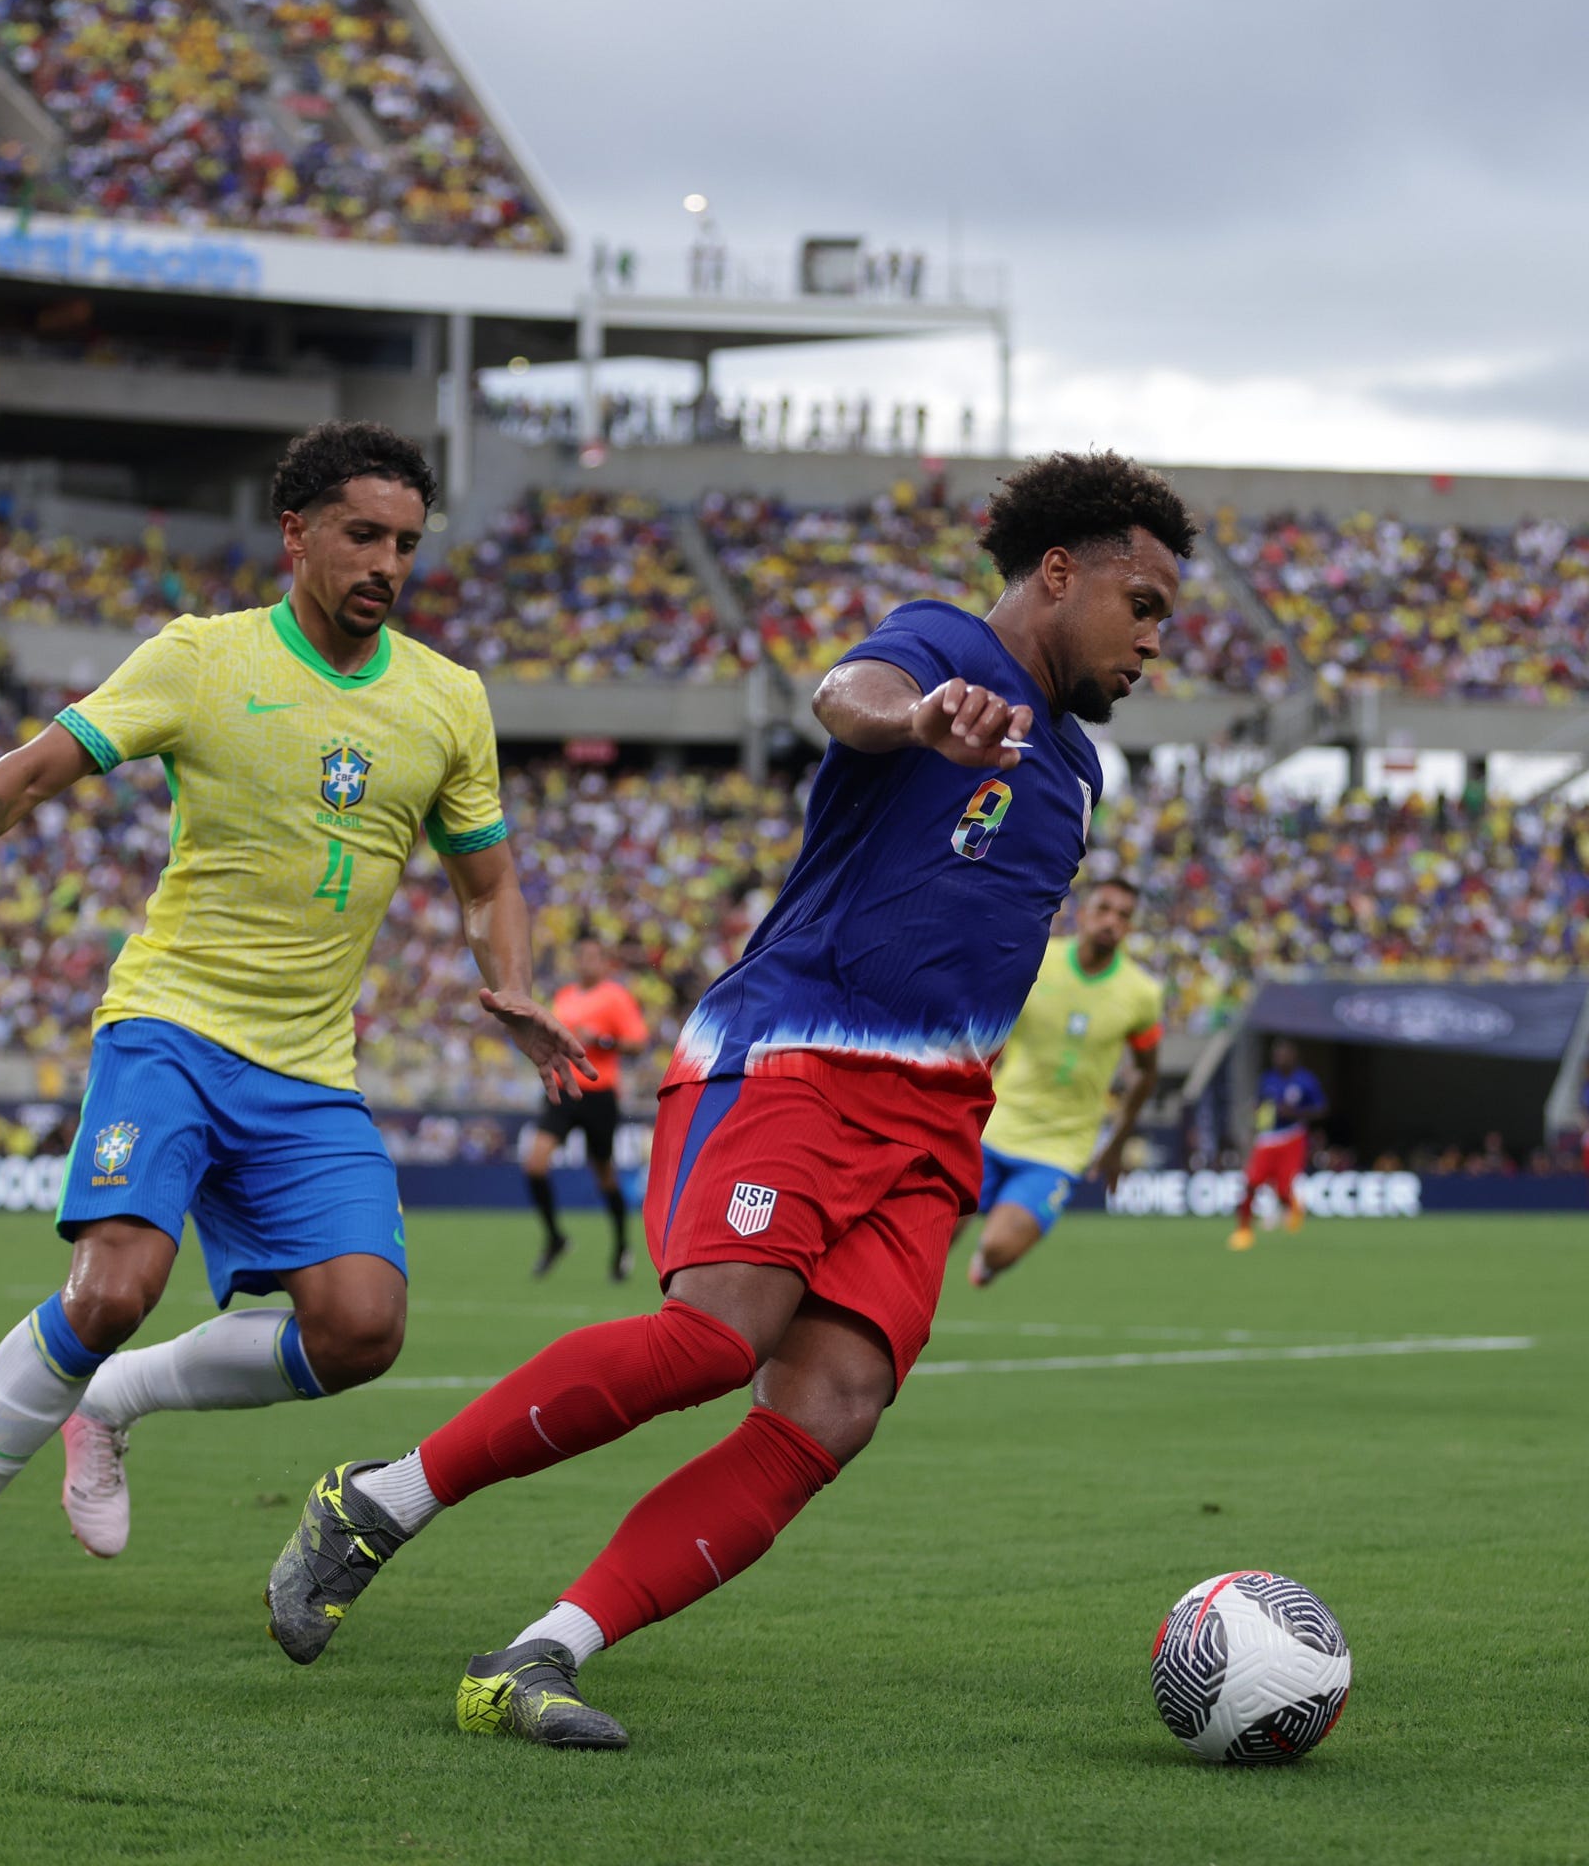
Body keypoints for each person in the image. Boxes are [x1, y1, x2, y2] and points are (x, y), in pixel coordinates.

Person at [262, 449, 1195, 1749]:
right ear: (1058, 572)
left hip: (936, 1125)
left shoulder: (1078, 771)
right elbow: (848, 694)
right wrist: (917, 720)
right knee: (714, 1337)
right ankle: (381, 1500)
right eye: (1141, 604)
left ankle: (543, 1652)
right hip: (797, 1057)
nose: (1155, 639)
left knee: (834, 1407)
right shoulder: (937, 651)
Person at [0, 422, 589, 1644]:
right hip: (170, 1023)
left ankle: (108, 1404)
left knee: (362, 1327)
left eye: (406, 544)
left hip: (309, 1064)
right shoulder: (201, 659)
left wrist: (516, 984)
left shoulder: (445, 699)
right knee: (113, 1285)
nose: (385, 562)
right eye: (362, 534)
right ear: (297, 533)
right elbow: (31, 772)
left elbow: (486, 882)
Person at [964, 877, 1163, 1287]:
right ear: (1083, 912)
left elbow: (1147, 1069)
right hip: (992, 1125)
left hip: (1061, 1147)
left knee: (999, 1247)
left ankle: (989, 1261)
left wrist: (1116, 1143)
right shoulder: (1038, 958)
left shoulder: (1141, 993)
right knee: (930, 1238)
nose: (1112, 922)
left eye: (1124, 916)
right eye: (1104, 909)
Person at [523, 931, 649, 1281]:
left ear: (604, 962)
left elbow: (638, 1044)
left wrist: (602, 1040)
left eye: (593, 956)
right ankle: (554, 1238)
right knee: (534, 1164)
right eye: (581, 956)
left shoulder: (616, 997)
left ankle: (622, 1246)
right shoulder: (564, 996)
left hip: (599, 1093)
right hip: (564, 1091)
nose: (585, 962)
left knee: (604, 1174)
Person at [1230, 1038, 1327, 1250]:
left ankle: (1292, 1207)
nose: (1280, 1059)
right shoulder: (1268, 1079)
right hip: (1268, 1138)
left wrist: (1296, 1113)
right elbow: (1261, 1106)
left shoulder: (1305, 1080)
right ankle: (1243, 1230)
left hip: (1292, 1136)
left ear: (1293, 1057)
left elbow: (1321, 1109)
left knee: (1284, 1187)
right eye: (1277, 1055)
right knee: (1251, 1182)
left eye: (1284, 1054)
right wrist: (1253, 1125)